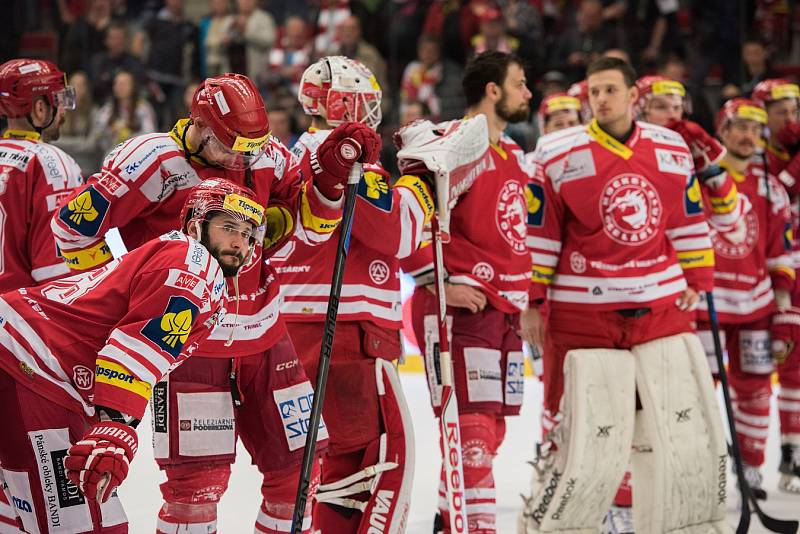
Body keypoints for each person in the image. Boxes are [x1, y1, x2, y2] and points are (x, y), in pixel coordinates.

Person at [50, 72, 381, 534]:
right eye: (233, 145)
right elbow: (72, 227)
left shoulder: (265, 153)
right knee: (196, 489)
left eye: (254, 145)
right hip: (188, 343)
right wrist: (118, 291)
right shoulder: (150, 160)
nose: (245, 155)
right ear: (201, 126)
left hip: (265, 337)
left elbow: (310, 228)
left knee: (298, 478)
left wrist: (326, 187)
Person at [520, 57, 727, 533]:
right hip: (582, 314)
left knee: (665, 421)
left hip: (659, 308)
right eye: (595, 91)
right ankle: (558, 518)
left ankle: (654, 514)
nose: (601, 100)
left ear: (635, 96)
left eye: (611, 90)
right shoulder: (555, 152)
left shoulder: (670, 148)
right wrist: (533, 302)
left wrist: (700, 281)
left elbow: (688, 220)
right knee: (578, 426)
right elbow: (541, 235)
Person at [0, 178, 253, 533]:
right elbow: (139, 345)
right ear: (197, 223)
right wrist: (115, 424)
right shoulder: (194, 262)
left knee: (17, 516)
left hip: (24, 356)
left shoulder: (181, 258)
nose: (240, 241)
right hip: (32, 364)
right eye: (229, 227)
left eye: (248, 233)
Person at [274, 55, 433, 533]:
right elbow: (398, 236)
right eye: (363, 101)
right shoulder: (347, 158)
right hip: (347, 337)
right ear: (340, 102)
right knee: (381, 464)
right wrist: (420, 180)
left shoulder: (287, 158)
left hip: (293, 334)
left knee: (330, 473)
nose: (370, 114)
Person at [402, 50, 533, 534]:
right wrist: (440, 284)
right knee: (471, 436)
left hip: (504, 314)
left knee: (490, 432)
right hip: (458, 312)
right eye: (521, 83)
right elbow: (405, 221)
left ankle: (444, 518)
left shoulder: (514, 154)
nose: (529, 93)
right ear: (494, 90)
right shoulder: (450, 143)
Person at [697, 97, 798, 499]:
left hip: (755, 306)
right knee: (701, 391)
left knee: (756, 389)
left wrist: (784, 307)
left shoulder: (771, 188)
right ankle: (703, 469)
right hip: (705, 305)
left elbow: (780, 254)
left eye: (755, 129)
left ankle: (752, 469)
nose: (747, 136)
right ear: (721, 132)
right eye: (738, 127)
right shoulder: (700, 179)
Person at [751, 78, 800, 493]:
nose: (790, 119)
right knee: (763, 368)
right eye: (781, 111)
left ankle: (792, 450)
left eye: (795, 111)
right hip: (766, 276)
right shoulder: (754, 157)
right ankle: (746, 459)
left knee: (798, 371)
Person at [0, 59, 83, 293]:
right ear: (39, 108)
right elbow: (57, 275)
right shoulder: (53, 163)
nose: (63, 111)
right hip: (14, 318)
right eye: (59, 100)